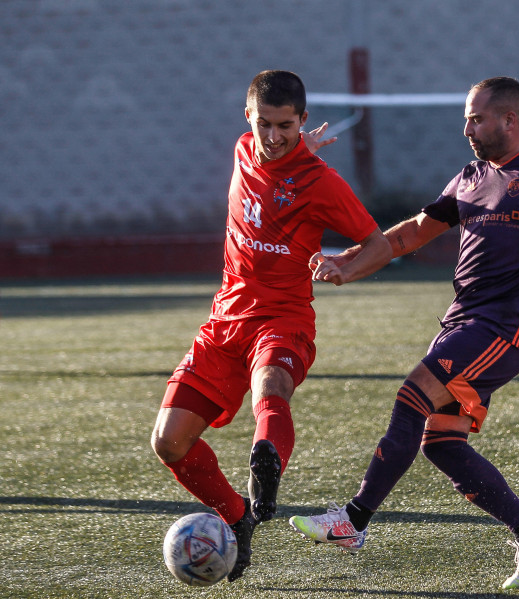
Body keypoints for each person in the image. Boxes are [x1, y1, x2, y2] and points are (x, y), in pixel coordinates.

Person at [289, 77, 519, 590]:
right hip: (462, 321)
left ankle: (354, 520)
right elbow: (411, 233)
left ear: (510, 120)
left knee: (412, 396)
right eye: (466, 118)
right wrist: (348, 262)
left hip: (505, 327)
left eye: (476, 119)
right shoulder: (470, 177)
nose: (467, 128)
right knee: (442, 443)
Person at [150, 70, 392, 582]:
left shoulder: (321, 181)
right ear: (248, 119)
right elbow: (273, 155)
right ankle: (237, 517)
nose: (274, 136)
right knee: (168, 443)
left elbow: (379, 243)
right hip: (223, 322)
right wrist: (294, 144)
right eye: (266, 124)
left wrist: (342, 268)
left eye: (287, 126)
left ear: (302, 120)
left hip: (283, 319)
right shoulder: (245, 149)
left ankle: (266, 465)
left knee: (272, 385)